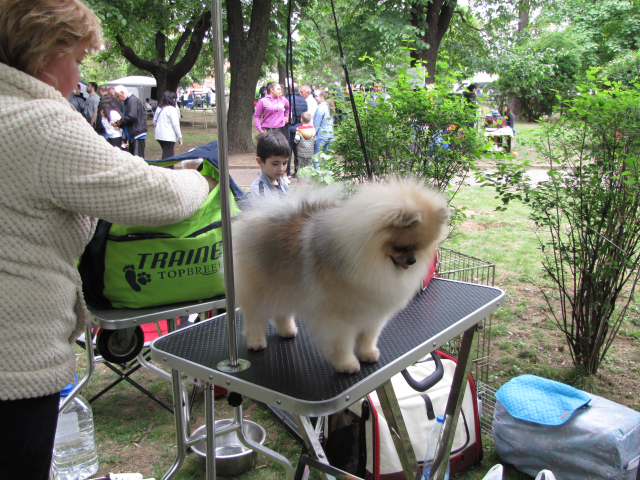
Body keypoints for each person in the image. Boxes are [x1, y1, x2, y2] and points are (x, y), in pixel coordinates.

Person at [0, 3, 217, 478]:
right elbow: (152, 197)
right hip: (13, 364)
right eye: (76, 58)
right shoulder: (38, 123)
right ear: (43, 52)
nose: (79, 74)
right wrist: (198, 178)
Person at [249, 131, 291, 198]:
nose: (281, 169)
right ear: (260, 162)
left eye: (284, 163)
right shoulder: (258, 191)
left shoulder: (283, 185)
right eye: (275, 164)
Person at [114, 85, 148, 158]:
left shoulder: (132, 100)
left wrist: (120, 122)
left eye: (118, 96)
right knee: (134, 157)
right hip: (133, 134)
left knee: (138, 158)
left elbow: (132, 116)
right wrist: (119, 125)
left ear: (122, 92)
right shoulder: (128, 101)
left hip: (137, 134)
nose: (118, 99)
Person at [153, 90, 183, 160]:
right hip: (168, 136)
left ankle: (169, 168)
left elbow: (154, 121)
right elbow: (175, 125)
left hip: (159, 135)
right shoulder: (172, 109)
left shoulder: (159, 108)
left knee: (167, 153)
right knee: (168, 155)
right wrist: (180, 137)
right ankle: (166, 169)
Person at [286, 84, 307, 177]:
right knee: (298, 151)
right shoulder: (304, 101)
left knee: (288, 150)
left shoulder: (286, 100)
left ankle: (287, 171)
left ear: (290, 90)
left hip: (290, 127)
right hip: (300, 128)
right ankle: (298, 171)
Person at [313, 91, 335, 159]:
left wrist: (313, 134)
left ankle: (317, 169)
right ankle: (326, 169)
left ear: (322, 97)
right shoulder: (330, 107)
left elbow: (316, 124)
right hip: (330, 135)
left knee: (315, 155)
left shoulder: (320, 108)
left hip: (321, 135)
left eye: (318, 96)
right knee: (326, 156)